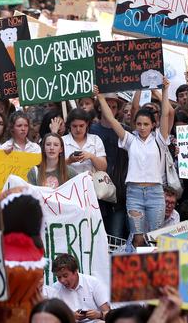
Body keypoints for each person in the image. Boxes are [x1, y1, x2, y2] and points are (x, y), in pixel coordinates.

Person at [95, 79, 171, 247]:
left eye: (146, 124)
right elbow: (112, 120)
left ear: (153, 125)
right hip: (134, 193)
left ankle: (155, 272)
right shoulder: (130, 139)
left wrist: (165, 91)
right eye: (139, 124)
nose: (142, 127)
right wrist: (100, 97)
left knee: (154, 238)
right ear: (135, 125)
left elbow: (165, 114)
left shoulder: (160, 139)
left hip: (155, 193)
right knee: (137, 238)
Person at [90, 92, 129, 240]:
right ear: (99, 108)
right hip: (96, 190)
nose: (110, 109)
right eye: (107, 105)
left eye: (114, 106)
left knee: (115, 237)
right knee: (97, 236)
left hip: (117, 192)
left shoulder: (124, 131)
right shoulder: (91, 130)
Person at [49, 254, 110, 321]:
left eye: (65, 276)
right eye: (59, 277)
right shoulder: (55, 289)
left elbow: (108, 314)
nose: (62, 280)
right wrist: (69, 316)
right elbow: (52, 317)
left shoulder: (93, 283)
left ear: (75, 271)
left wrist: (99, 315)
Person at [63, 108, 107, 174]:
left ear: (87, 124)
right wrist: (70, 160)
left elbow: (103, 168)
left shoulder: (95, 139)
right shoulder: (62, 140)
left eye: (81, 126)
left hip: (92, 182)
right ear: (69, 125)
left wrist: (91, 156)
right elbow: (54, 166)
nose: (78, 129)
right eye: (74, 126)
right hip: (69, 182)